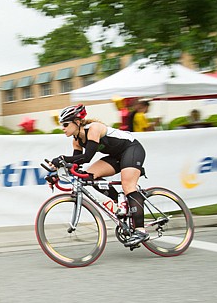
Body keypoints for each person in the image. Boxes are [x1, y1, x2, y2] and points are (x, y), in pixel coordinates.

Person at [50, 104, 150, 247]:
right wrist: (56, 175)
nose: (63, 128)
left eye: (66, 124)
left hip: (132, 149)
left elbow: (87, 157)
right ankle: (120, 205)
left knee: (128, 186)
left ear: (77, 122)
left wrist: (62, 158)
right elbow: (76, 165)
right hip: (116, 156)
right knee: (89, 176)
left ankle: (141, 231)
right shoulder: (76, 140)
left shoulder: (94, 128)